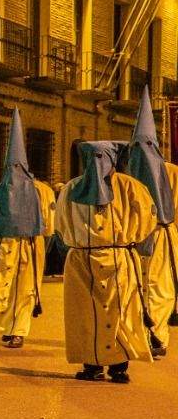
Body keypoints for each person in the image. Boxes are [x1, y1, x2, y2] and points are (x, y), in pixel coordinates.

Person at [57, 140, 157, 383]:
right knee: (84, 314)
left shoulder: (130, 186)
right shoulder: (72, 188)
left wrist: (128, 240)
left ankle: (119, 365)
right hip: (82, 259)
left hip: (119, 257)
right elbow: (61, 222)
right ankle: (91, 364)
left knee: (120, 310)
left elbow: (147, 216)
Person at [0, 111, 53, 349]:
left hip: (29, 244)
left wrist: (39, 247)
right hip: (0, 245)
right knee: (2, 286)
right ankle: (6, 326)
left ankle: (19, 330)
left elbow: (49, 225)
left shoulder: (41, 191)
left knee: (25, 288)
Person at [120, 88, 177, 358]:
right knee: (132, 288)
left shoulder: (173, 173)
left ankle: (158, 335)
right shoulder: (123, 173)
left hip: (163, 237)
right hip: (131, 240)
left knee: (159, 287)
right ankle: (137, 334)